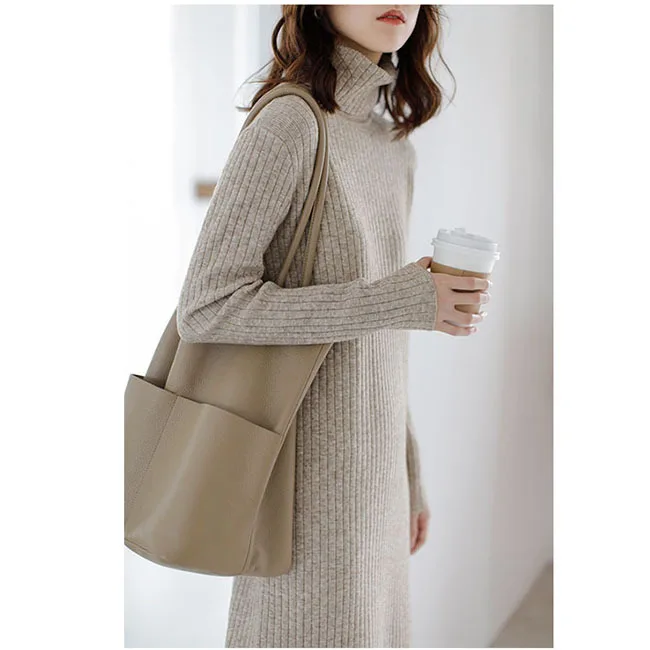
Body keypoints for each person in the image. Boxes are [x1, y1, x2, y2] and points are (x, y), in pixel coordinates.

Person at [175, 4, 491, 647]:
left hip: (375, 480)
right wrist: (398, 299)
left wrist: (408, 469)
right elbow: (206, 306)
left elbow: (383, 338)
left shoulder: (393, 147)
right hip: (302, 487)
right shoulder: (290, 123)